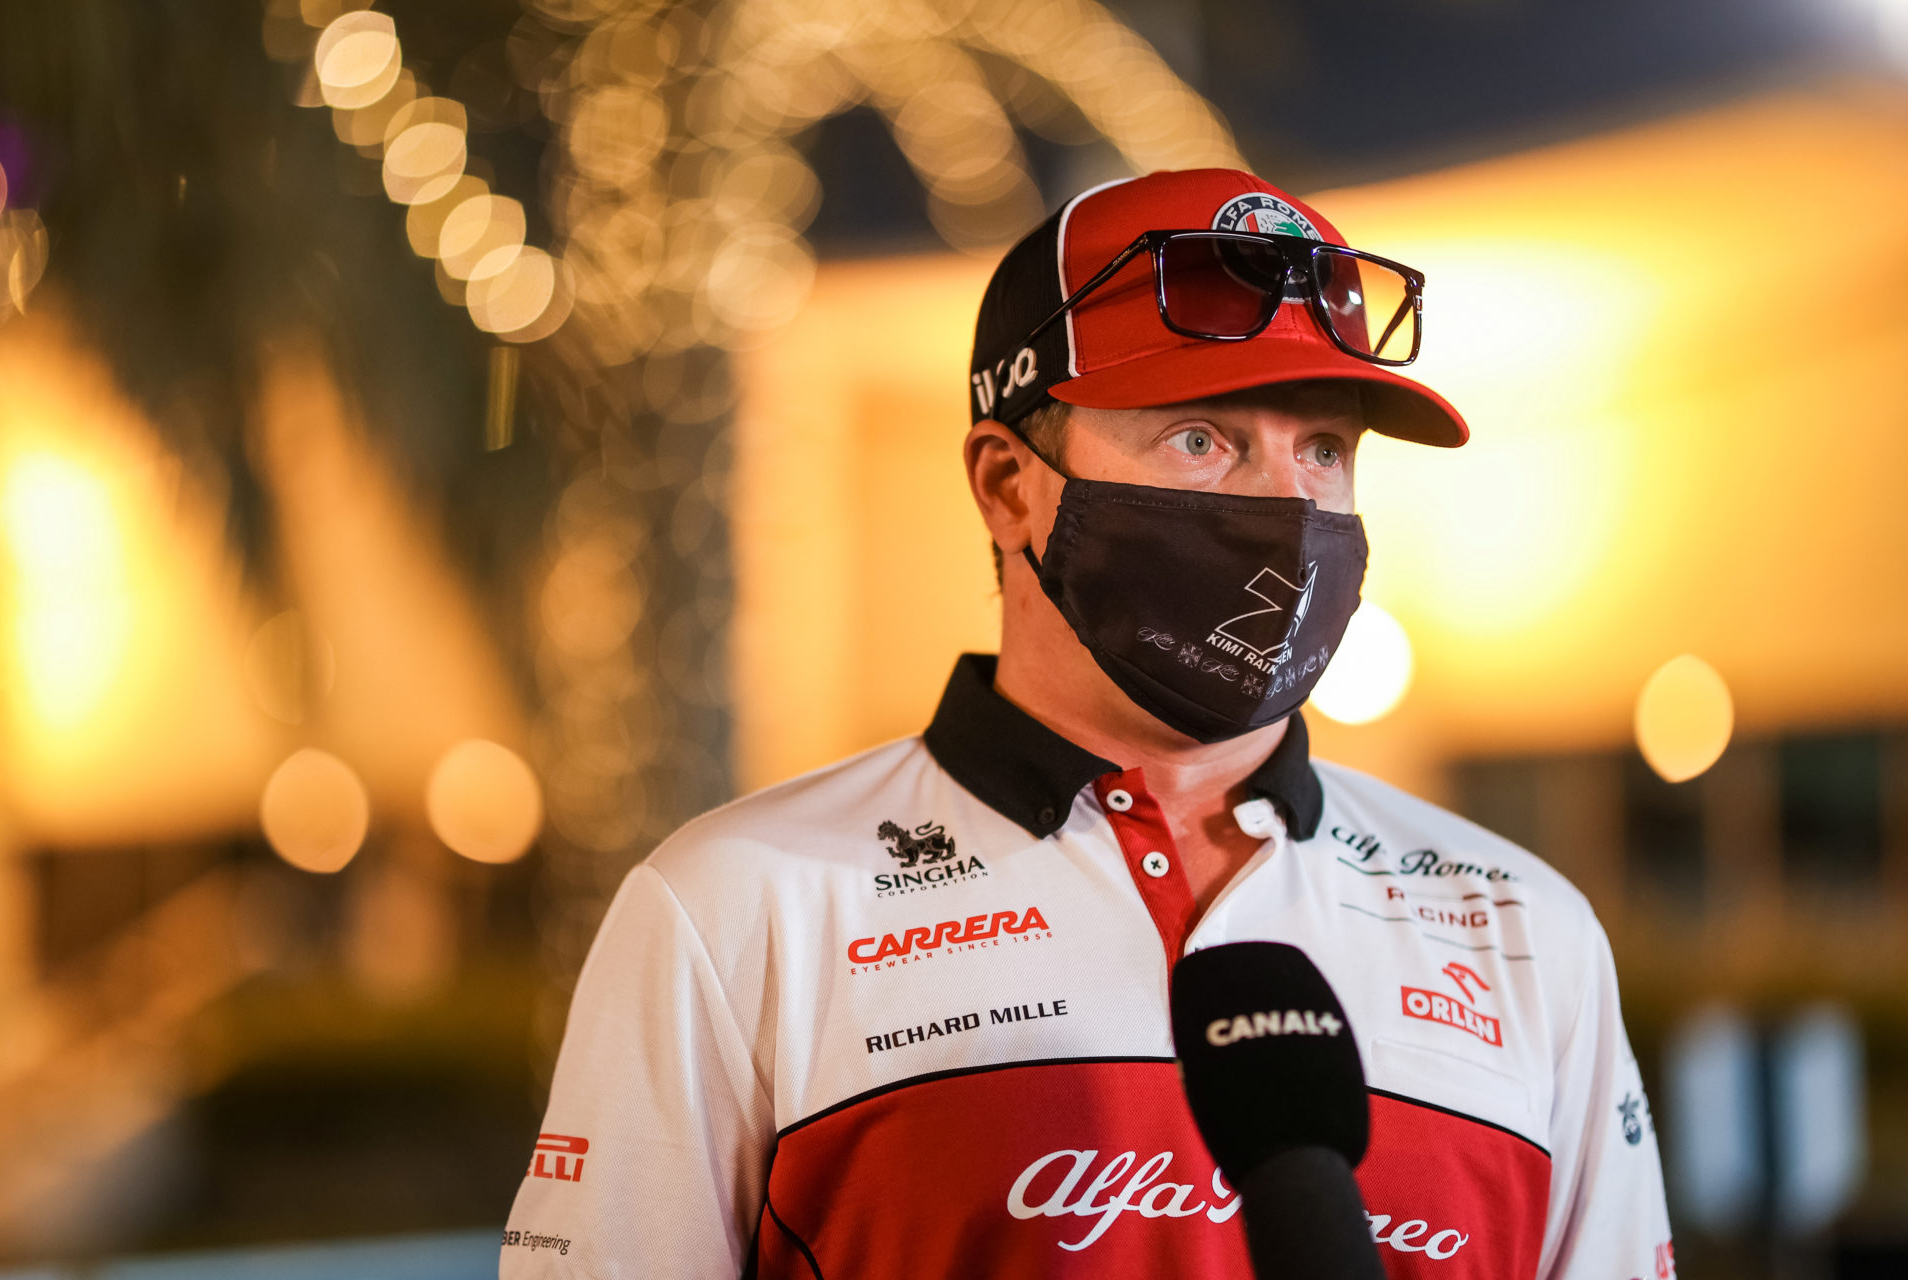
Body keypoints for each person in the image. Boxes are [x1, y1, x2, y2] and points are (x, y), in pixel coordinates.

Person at [500, 169, 1673, 1279]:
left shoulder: (1524, 930)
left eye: (1324, 448)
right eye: (1204, 438)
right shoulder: (737, 906)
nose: (1288, 505)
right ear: (1009, 484)